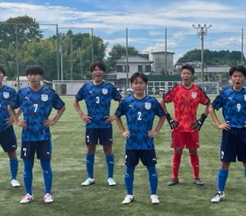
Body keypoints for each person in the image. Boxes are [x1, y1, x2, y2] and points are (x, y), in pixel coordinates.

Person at [208, 64, 246, 203]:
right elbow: (211, 108)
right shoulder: (225, 94)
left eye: (240, 76)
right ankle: (220, 192)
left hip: (245, 132)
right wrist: (219, 124)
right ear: (231, 78)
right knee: (224, 163)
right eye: (235, 76)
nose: (237, 79)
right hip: (229, 132)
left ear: (244, 78)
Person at [8, 65, 65, 204]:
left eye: (36, 74)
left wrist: (53, 120)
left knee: (46, 165)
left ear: (41, 76)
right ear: (27, 77)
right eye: (30, 75)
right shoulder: (22, 93)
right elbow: (10, 106)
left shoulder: (49, 92)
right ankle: (28, 194)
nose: (33, 77)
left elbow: (61, 106)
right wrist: (17, 121)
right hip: (27, 137)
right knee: (27, 166)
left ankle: (47, 193)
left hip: (43, 136)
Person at [114, 72, 167, 205]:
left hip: (147, 143)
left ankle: (153, 194)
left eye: (141, 83)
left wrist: (156, 130)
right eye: (135, 83)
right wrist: (123, 130)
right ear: (131, 85)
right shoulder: (126, 101)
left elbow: (163, 115)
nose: (138, 86)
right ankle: (129, 194)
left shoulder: (152, 101)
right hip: (131, 143)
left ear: (145, 84)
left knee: (151, 169)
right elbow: (117, 116)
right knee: (129, 169)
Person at [160, 64, 211, 186]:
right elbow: (162, 101)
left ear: (192, 75)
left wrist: (202, 119)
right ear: (180, 75)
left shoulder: (197, 90)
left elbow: (209, 103)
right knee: (177, 151)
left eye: (188, 73)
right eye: (184, 73)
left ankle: (196, 177)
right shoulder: (176, 89)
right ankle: (174, 177)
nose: (186, 75)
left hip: (193, 127)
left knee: (193, 151)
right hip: (178, 127)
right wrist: (169, 118)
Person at [73, 61, 122, 187]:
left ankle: (110, 177)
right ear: (92, 72)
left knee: (108, 149)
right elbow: (75, 101)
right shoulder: (86, 87)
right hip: (91, 125)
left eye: (100, 69)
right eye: (95, 70)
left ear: (103, 72)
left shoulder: (109, 87)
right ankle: (90, 177)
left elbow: (121, 100)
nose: (97, 72)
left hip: (105, 125)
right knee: (90, 148)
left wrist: (115, 115)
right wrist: (81, 114)